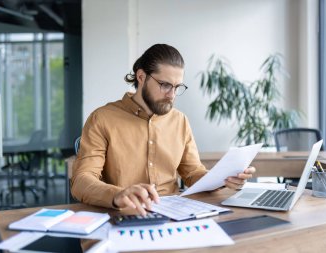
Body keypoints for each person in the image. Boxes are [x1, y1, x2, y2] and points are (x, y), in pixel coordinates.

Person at [71, 44, 256, 215]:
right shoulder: (102, 118)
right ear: (141, 77)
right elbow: (81, 181)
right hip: (124, 215)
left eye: (177, 87)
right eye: (165, 85)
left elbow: (193, 173)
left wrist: (224, 179)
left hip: (177, 214)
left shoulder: (180, 120)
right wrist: (118, 194)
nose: (172, 95)